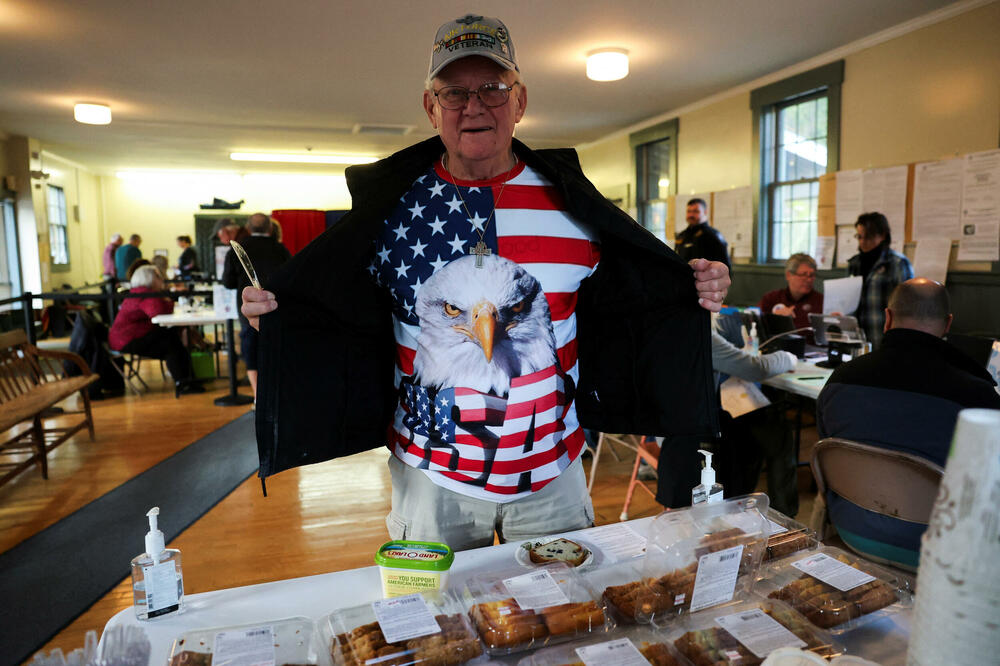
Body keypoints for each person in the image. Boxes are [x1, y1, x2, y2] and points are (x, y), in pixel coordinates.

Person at [240, 14, 730, 552]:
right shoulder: (389, 213)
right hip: (432, 480)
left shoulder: (576, 207)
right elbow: (341, 310)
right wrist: (277, 310)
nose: (474, 105)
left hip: (554, 470)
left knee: (564, 624)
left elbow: (632, 301)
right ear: (431, 107)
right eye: (454, 92)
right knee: (432, 627)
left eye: (493, 88)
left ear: (520, 101)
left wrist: (698, 286)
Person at [817, 278, 1000, 567]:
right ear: (948, 323)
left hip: (851, 533)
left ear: (888, 318)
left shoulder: (840, 380)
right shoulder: (978, 398)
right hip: (941, 552)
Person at [657, 328, 799, 512]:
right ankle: (784, 513)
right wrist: (787, 357)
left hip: (669, 433)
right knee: (776, 430)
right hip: (697, 437)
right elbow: (755, 368)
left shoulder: (659, 332)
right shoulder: (697, 334)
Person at [222, 213, 291, 398]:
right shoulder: (280, 249)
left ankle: (258, 396)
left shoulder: (237, 249)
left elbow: (227, 282)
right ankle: (276, 394)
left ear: (248, 228)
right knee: (275, 349)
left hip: (248, 309)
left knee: (250, 349)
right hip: (277, 307)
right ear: (270, 228)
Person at [108, 265, 204, 397]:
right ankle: (183, 383)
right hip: (126, 340)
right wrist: (167, 301)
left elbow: (160, 308)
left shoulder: (140, 291)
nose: (161, 279)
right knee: (170, 343)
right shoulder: (144, 293)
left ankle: (187, 379)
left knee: (171, 337)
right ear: (151, 279)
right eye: (158, 276)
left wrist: (166, 301)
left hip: (127, 337)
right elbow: (157, 311)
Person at [847, 212, 913, 348]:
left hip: (884, 336)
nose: (862, 242)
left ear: (882, 235)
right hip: (857, 338)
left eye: (868, 237)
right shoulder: (854, 263)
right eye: (859, 237)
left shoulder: (897, 262)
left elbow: (908, 305)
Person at [758, 253, 823, 332]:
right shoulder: (771, 299)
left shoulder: (821, 301)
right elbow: (756, 326)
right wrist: (774, 319)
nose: (809, 280)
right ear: (788, 275)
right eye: (803, 274)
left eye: (811, 275)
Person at [674, 198, 730, 267]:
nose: (691, 215)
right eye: (689, 211)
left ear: (705, 212)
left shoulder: (713, 235)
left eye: (695, 211)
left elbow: (724, 268)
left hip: (706, 277)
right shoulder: (681, 235)